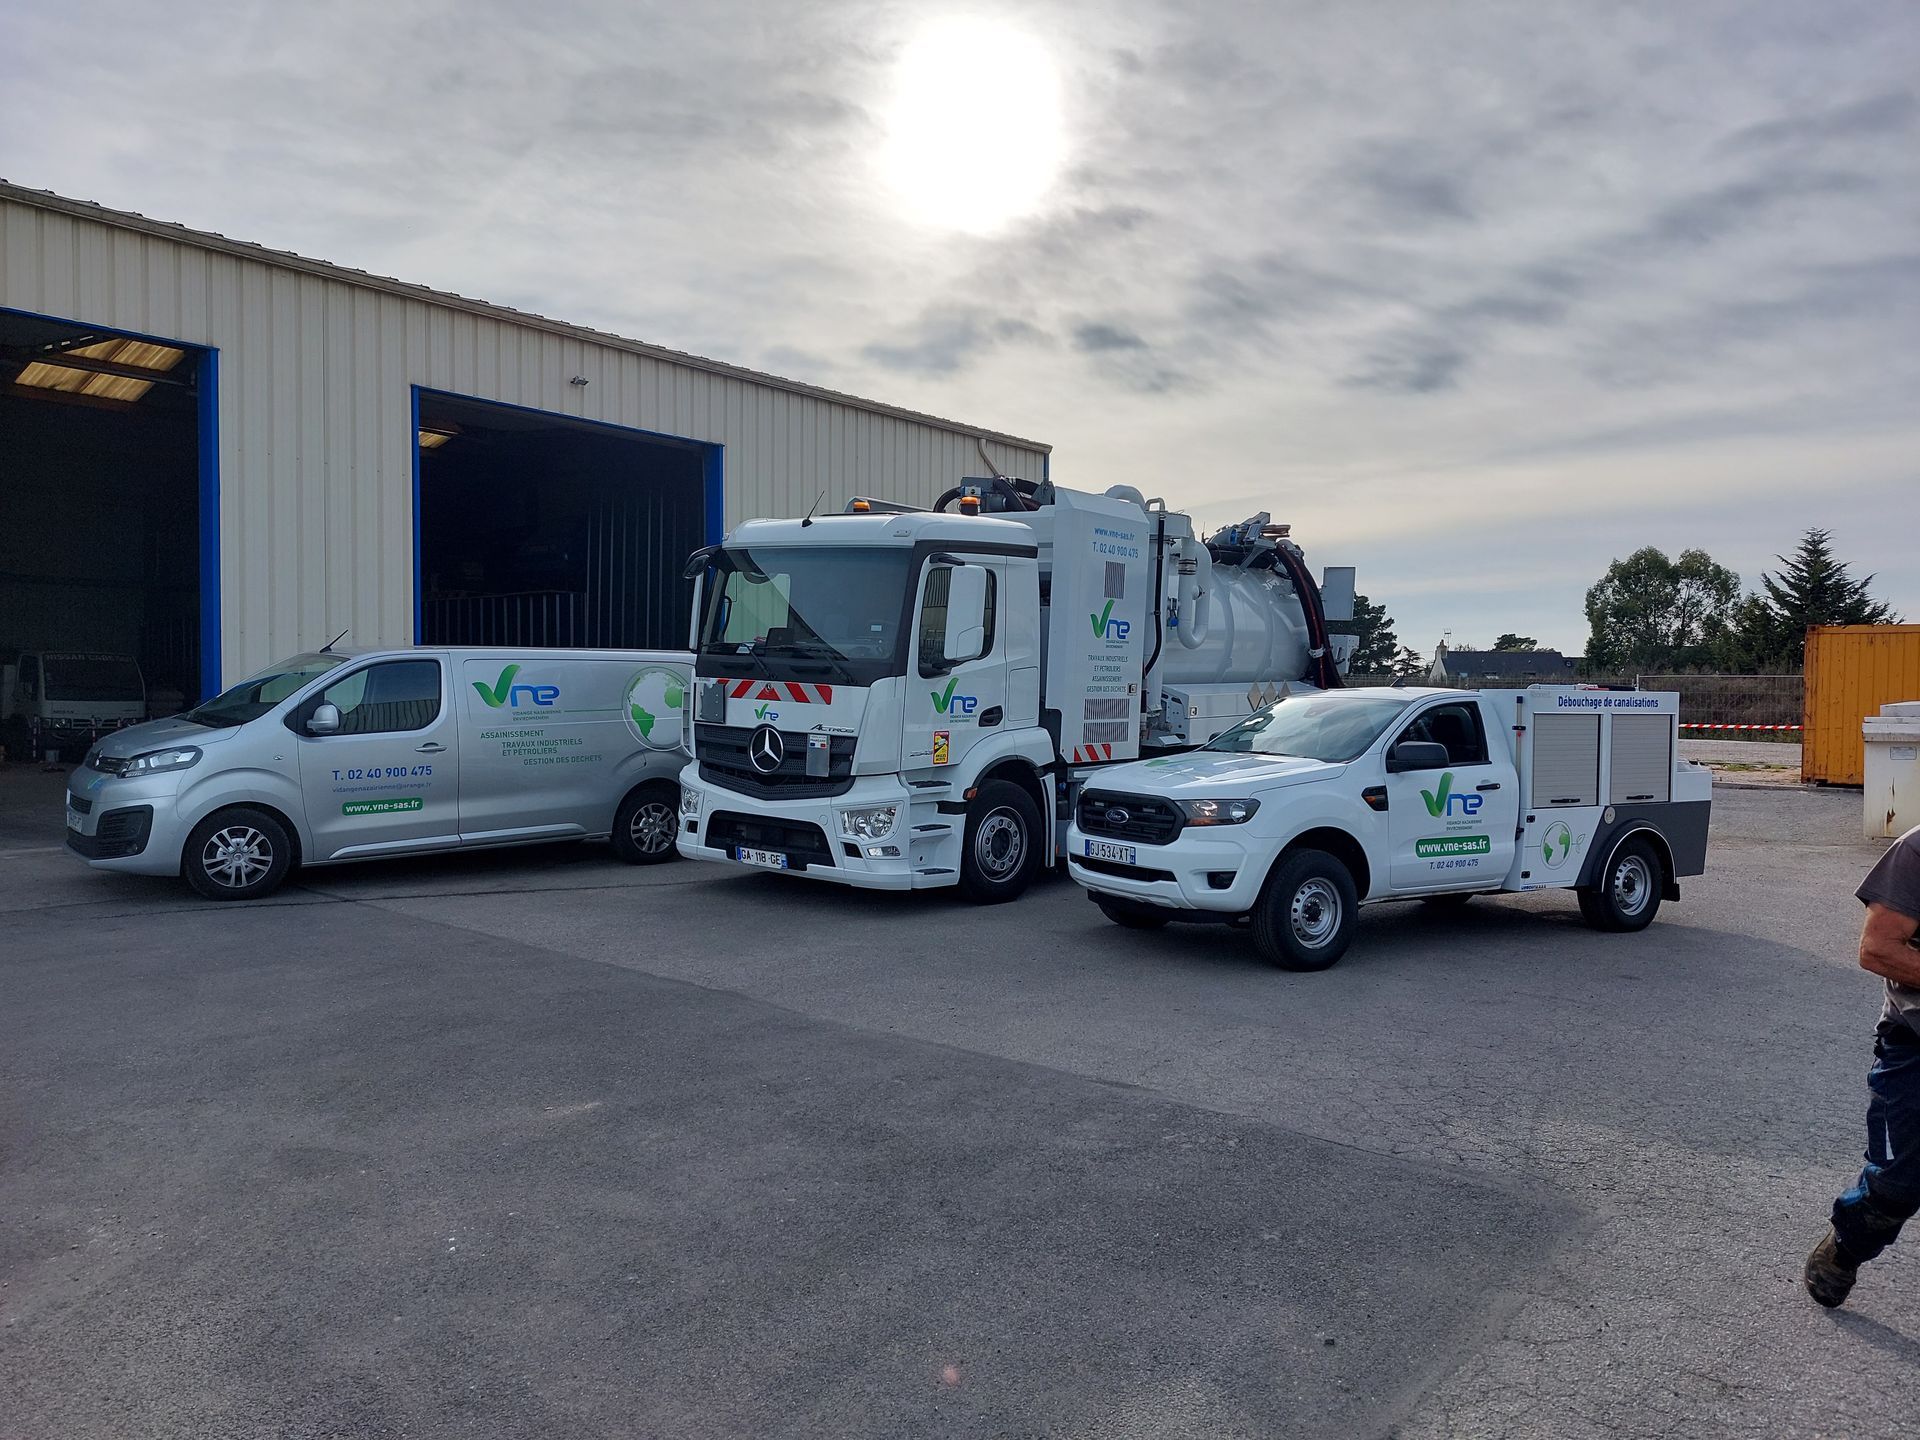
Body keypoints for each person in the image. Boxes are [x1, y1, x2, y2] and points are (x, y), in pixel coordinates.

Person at [1804, 823, 1920, 1307]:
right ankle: (1846, 1247)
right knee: (1898, 1185)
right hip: (1914, 1045)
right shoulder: (1916, 850)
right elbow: (1877, 949)